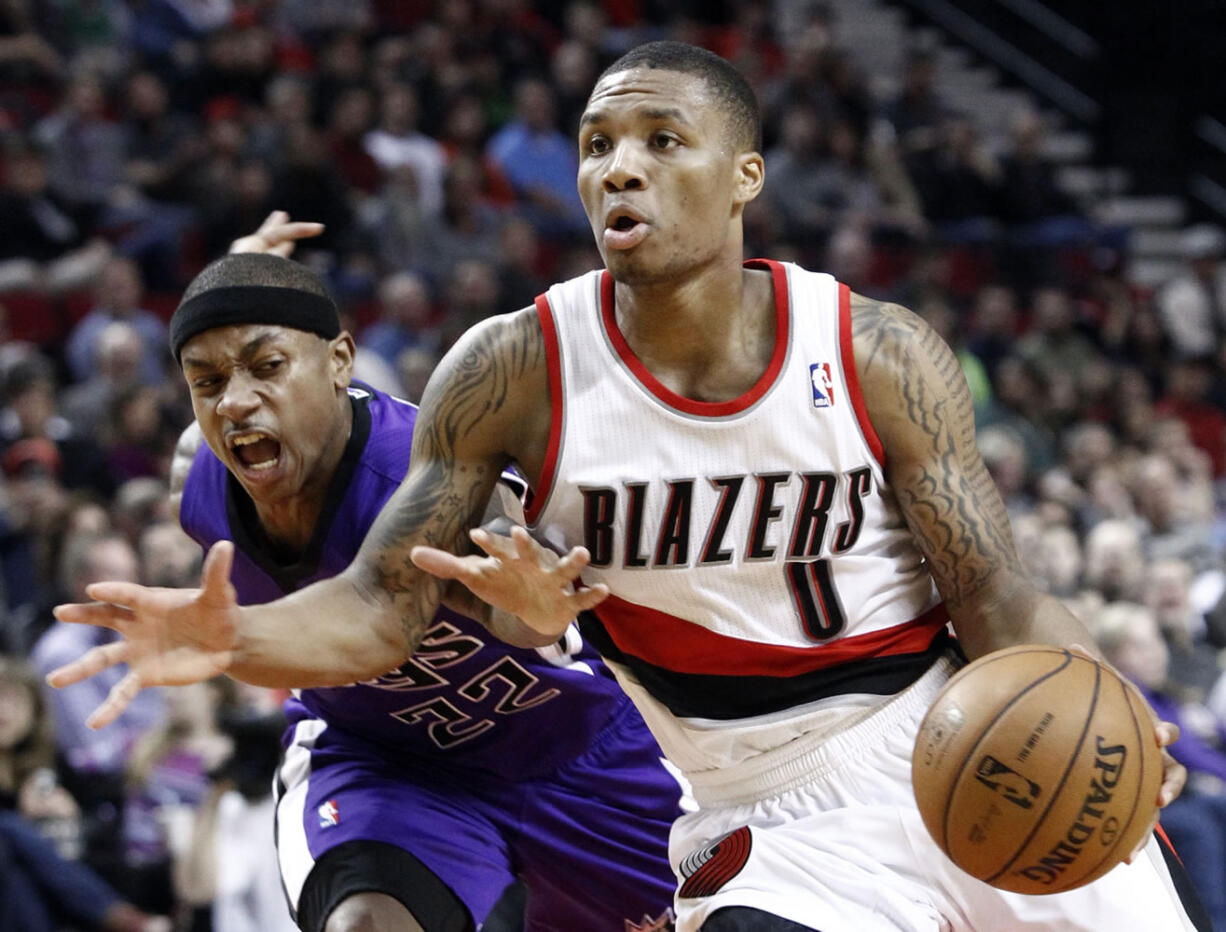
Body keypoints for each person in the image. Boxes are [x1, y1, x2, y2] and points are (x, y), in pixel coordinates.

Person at [51, 43, 1207, 931]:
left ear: (745, 173)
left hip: (955, 724)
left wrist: (1110, 710)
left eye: (661, 139)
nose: (619, 165)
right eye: (599, 141)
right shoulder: (512, 369)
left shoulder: (873, 352)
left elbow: (995, 591)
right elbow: (377, 604)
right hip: (763, 801)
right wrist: (234, 634)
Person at [59, 213, 683, 932]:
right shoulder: (196, 483)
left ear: (339, 360)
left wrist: (538, 610)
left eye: (268, 367)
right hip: (384, 764)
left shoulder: (435, 469)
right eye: (206, 382)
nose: (233, 402)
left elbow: (465, 618)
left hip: (579, 758)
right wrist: (238, 273)